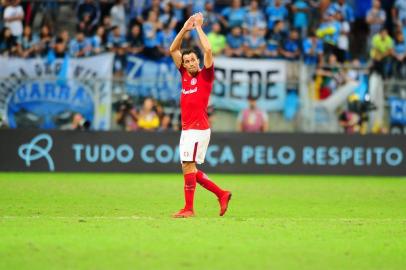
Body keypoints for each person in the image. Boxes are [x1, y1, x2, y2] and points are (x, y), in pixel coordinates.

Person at [169, 13, 232, 218]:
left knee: (188, 166)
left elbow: (208, 49)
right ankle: (221, 193)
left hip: (198, 129)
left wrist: (197, 28)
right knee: (189, 170)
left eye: (193, 60)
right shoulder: (184, 75)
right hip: (188, 130)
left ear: (198, 61)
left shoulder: (206, 75)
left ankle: (189, 209)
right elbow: (173, 50)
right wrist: (184, 29)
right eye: (187, 61)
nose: (190, 63)